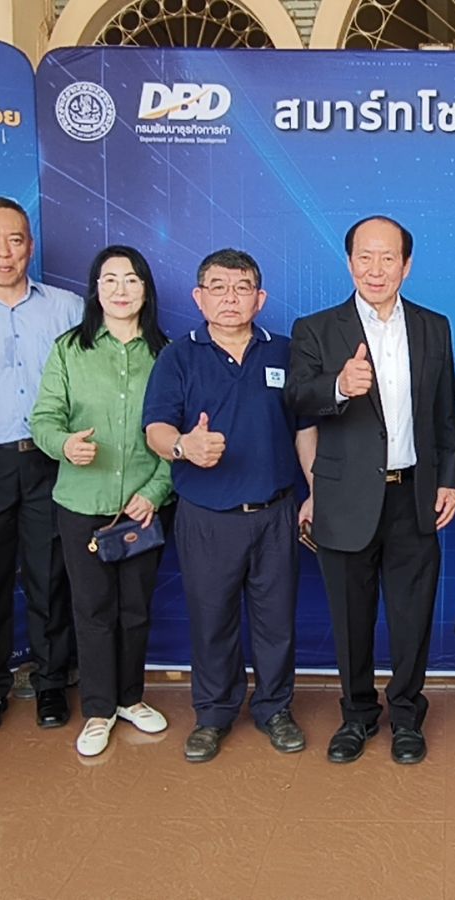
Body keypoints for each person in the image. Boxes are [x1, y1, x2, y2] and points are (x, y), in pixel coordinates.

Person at [288, 216, 455, 765]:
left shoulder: (434, 327)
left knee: (412, 618)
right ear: (349, 263)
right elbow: (295, 398)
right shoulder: (316, 329)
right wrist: (339, 386)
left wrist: (449, 479)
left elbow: (444, 416)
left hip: (414, 496)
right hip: (344, 498)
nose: (376, 268)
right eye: (365, 257)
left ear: (406, 265)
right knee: (351, 618)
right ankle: (357, 715)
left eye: (388, 257)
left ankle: (407, 715)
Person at [143, 249, 317, 763]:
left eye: (242, 288)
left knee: (276, 622)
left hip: (276, 512)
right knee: (212, 620)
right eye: (217, 288)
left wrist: (315, 491)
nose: (230, 298)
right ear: (198, 297)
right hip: (207, 516)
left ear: (260, 298)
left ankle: (275, 709)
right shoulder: (178, 356)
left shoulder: (285, 351)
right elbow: (155, 428)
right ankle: (213, 714)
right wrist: (184, 446)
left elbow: (305, 428)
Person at [31, 246, 174, 757]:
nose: (120, 289)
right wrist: (64, 445)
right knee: (92, 610)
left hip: (142, 507)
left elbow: (178, 434)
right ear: (95, 289)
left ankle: (131, 698)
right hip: (81, 503)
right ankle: (98, 709)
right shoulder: (70, 349)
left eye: (131, 279)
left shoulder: (167, 354)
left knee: (135, 609)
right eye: (109, 279)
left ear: (146, 290)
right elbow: (44, 419)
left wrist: (154, 492)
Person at [0, 197, 81, 737]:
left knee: (51, 576)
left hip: (51, 460)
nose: (4, 252)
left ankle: (51, 681)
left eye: (15, 240)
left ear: (31, 244)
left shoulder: (67, 308)